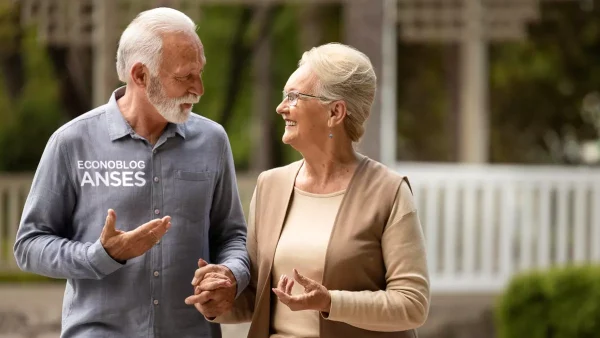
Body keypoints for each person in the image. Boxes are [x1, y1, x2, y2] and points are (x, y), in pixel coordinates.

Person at [13, 7, 249, 338]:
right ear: (140, 76)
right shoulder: (72, 142)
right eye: (185, 77)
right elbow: (29, 246)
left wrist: (230, 274)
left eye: (200, 73)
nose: (199, 89)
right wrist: (100, 255)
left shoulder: (212, 141)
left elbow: (232, 236)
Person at [186, 43, 430, 337]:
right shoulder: (270, 186)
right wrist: (219, 299)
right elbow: (256, 296)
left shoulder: (388, 192)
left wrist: (331, 301)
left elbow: (412, 304)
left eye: (294, 97)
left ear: (335, 112)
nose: (281, 107)